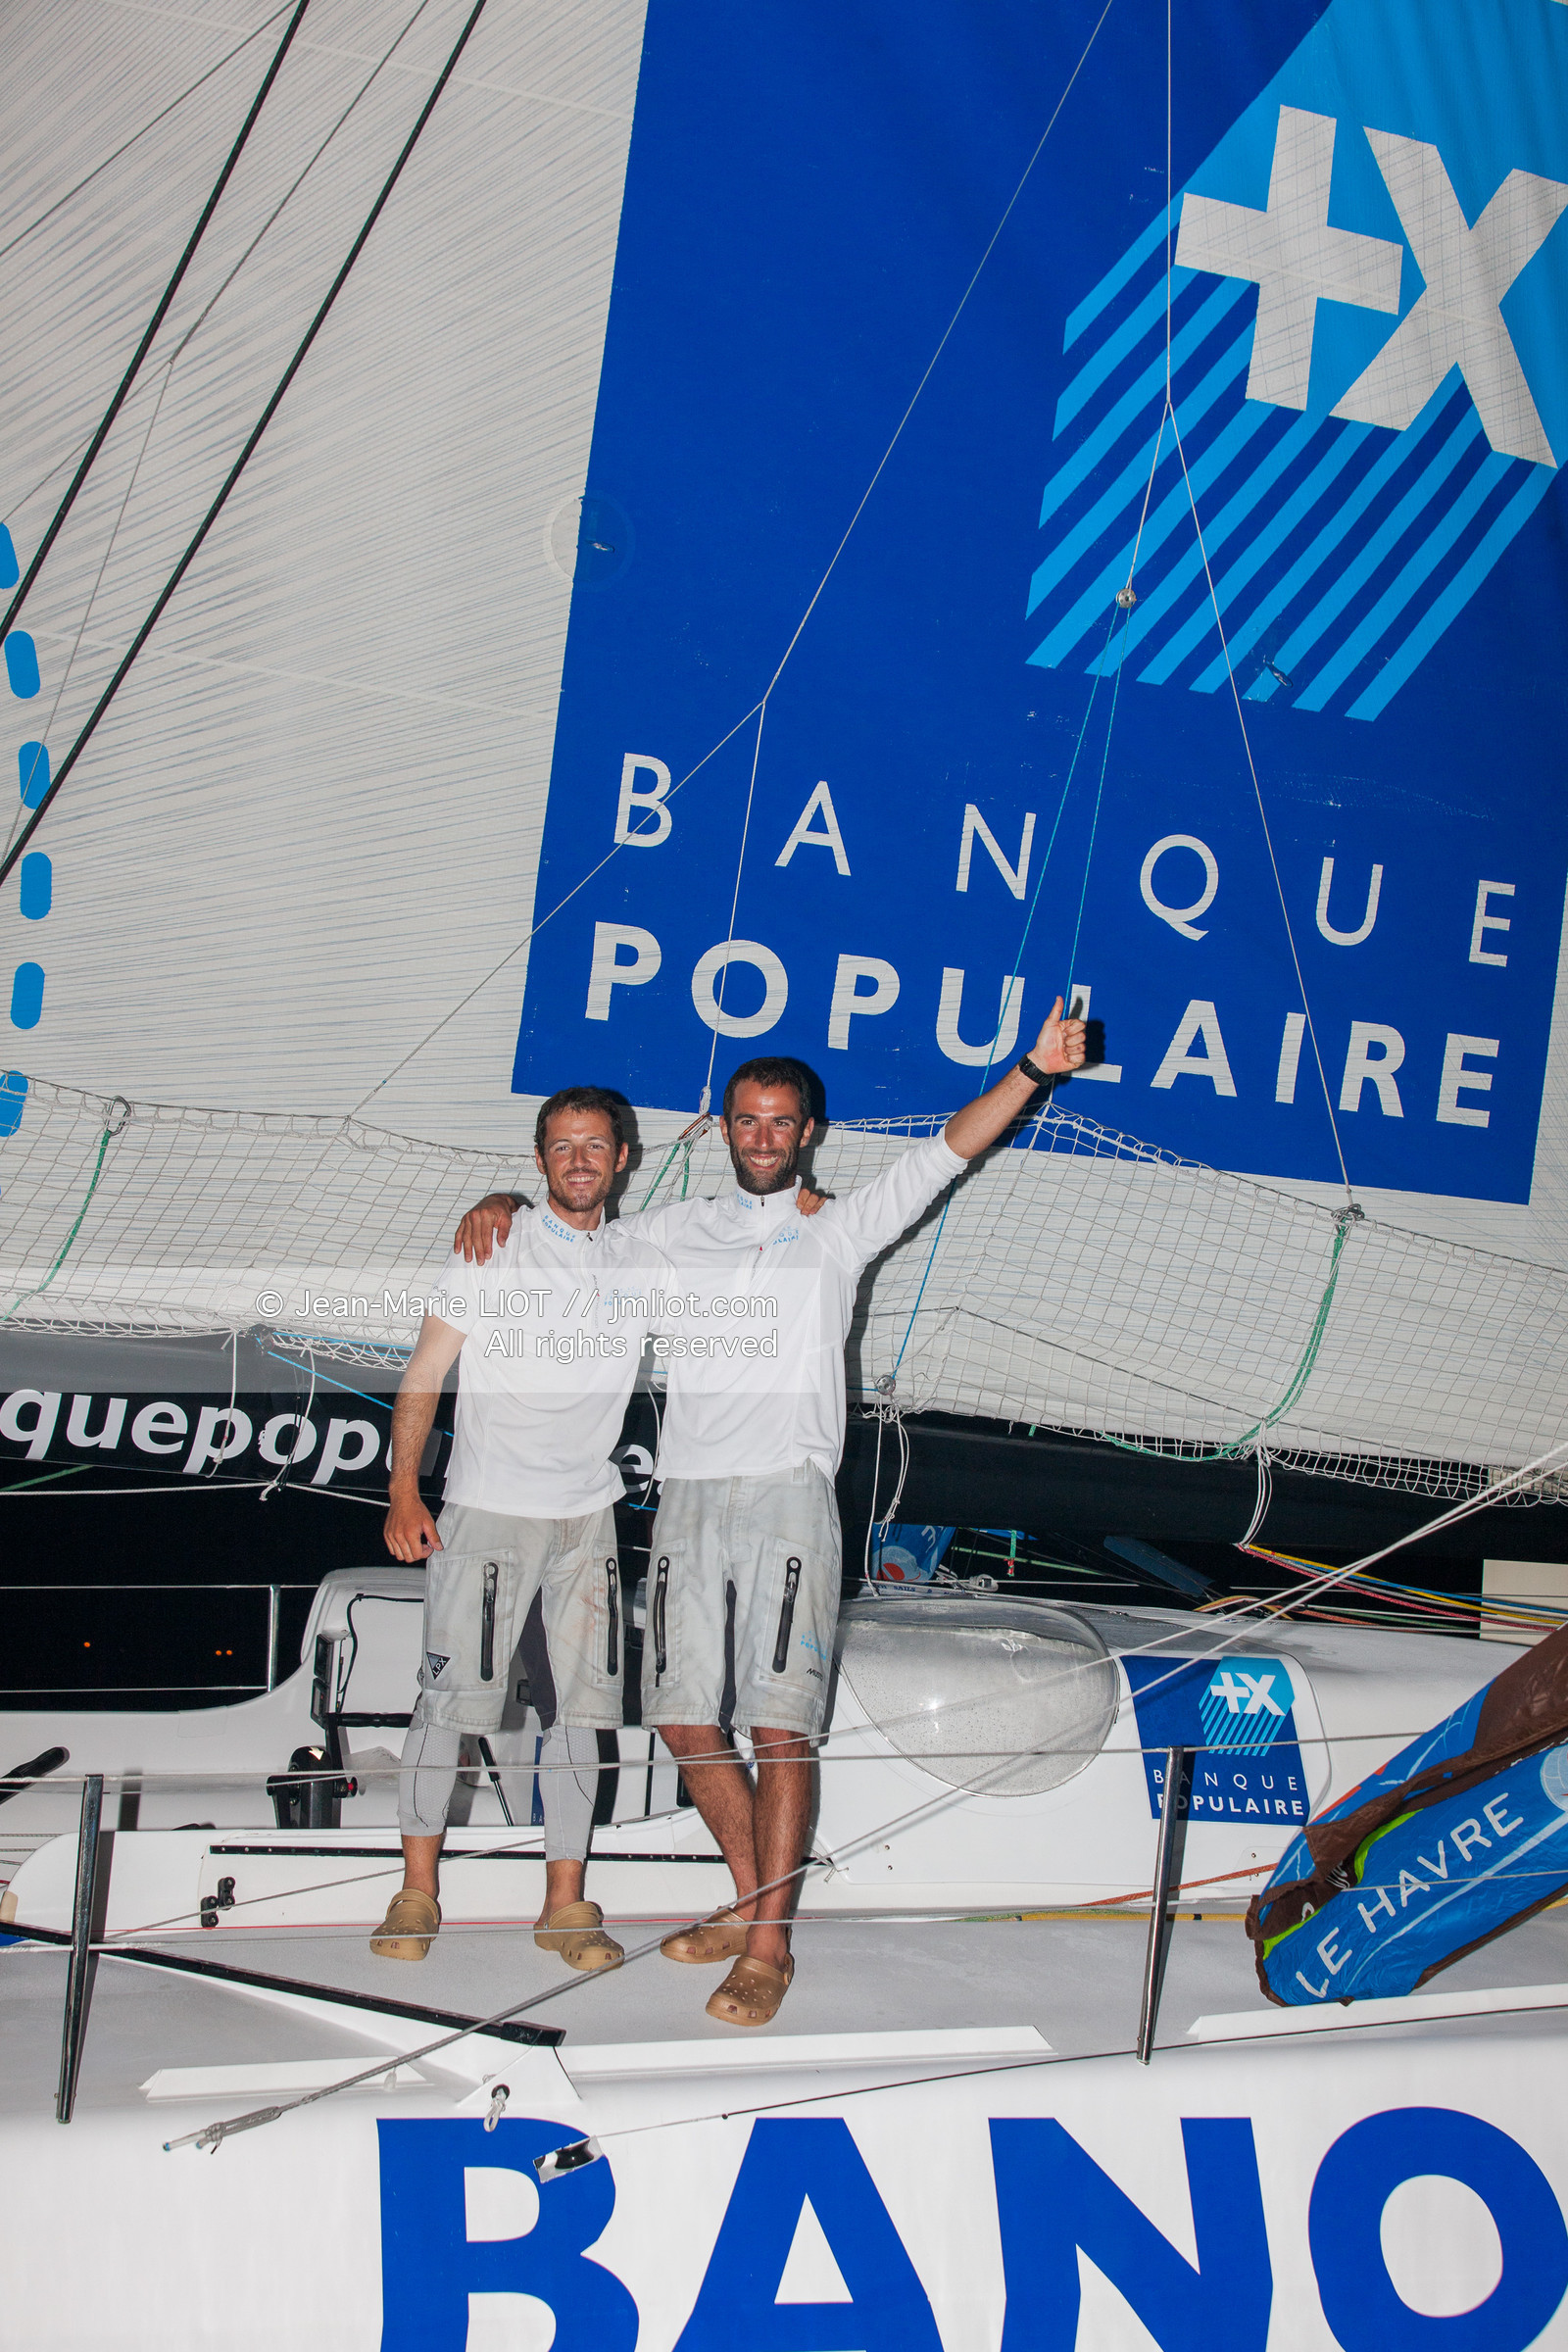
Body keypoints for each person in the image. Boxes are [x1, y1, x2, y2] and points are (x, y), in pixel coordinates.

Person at [455, 1004, 1086, 2024]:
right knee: (679, 1717)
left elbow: (947, 1151)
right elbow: (575, 1229)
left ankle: (767, 1948)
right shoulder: (671, 1232)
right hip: (688, 1493)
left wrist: (1032, 1070)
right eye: (746, 1120)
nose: (761, 1136)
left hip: (788, 1492)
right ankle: (757, 1905)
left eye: (779, 1122)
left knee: (778, 1726)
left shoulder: (837, 1229)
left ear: (807, 1133)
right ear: (724, 1126)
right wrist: (502, 1202)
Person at [371, 1086, 666, 1971]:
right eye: (562, 1146)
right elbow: (425, 1371)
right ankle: (415, 1894)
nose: (579, 1160)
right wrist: (403, 1492)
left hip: (587, 1519)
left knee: (582, 1714)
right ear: (540, 1161)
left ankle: (564, 1905)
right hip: (488, 1509)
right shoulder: (492, 1244)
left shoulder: (643, 1257)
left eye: (595, 1145)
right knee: (449, 1707)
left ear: (622, 1158)